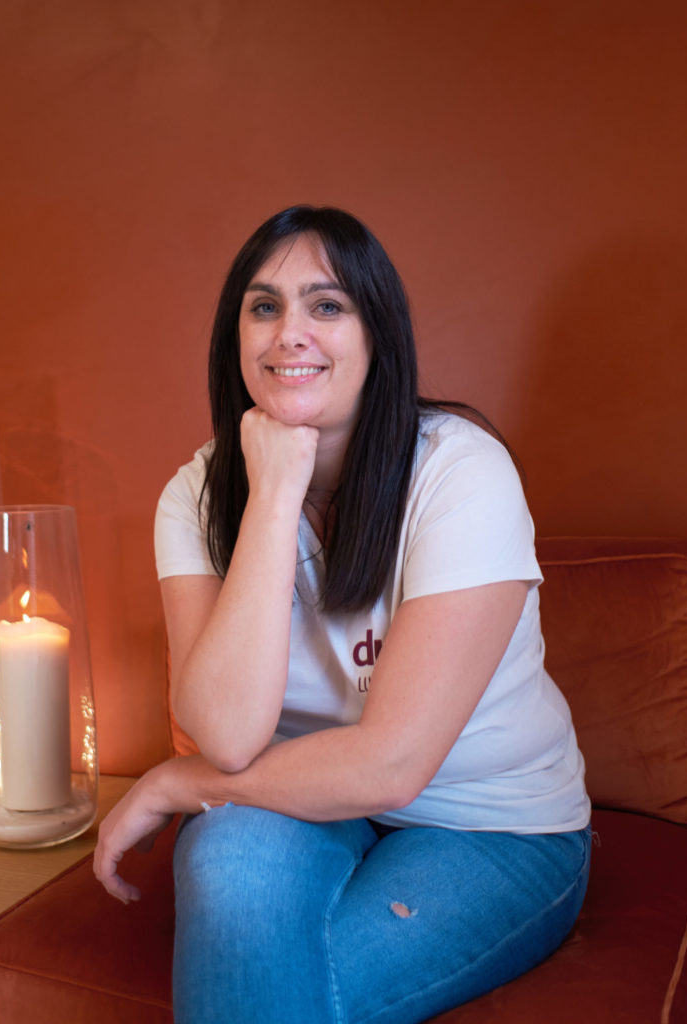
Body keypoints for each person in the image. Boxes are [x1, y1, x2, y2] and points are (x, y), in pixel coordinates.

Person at [93, 205, 592, 1023]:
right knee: (226, 872)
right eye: (264, 306)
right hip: (291, 801)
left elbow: (392, 766)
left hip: (488, 827)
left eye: (326, 305)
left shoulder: (460, 471)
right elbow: (228, 735)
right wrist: (274, 492)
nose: (290, 332)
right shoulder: (195, 494)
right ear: (235, 337)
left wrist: (176, 781)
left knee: (267, 996)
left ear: (376, 334)